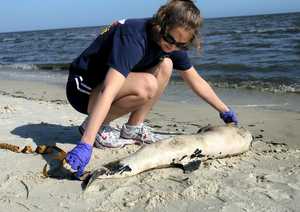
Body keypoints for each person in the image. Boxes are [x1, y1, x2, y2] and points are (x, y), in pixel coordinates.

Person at [65, 0, 238, 178]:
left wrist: (225, 111)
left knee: (166, 65)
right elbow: (108, 89)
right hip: (83, 89)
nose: (173, 46)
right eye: (170, 40)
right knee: (147, 84)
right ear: (160, 24)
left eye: (181, 45)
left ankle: (133, 128)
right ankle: (95, 127)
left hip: (105, 86)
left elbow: (195, 80)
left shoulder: (173, 41)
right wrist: (86, 143)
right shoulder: (134, 37)